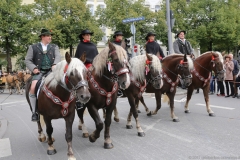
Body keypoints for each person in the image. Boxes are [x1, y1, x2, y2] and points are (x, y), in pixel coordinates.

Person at [25, 28, 61, 121]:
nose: (50, 37)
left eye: (50, 36)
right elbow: (28, 60)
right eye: (48, 36)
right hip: (39, 72)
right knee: (32, 88)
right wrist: (34, 68)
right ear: (42, 37)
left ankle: (74, 104)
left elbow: (58, 57)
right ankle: (34, 112)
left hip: (51, 71)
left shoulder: (54, 47)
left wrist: (54, 64)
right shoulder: (33, 47)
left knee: (65, 82)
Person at [74, 29, 98, 109]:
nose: (88, 36)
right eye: (87, 35)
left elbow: (97, 55)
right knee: (84, 77)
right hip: (84, 64)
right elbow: (79, 58)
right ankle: (78, 100)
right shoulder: (80, 45)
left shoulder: (93, 45)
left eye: (89, 35)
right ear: (83, 36)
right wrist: (89, 62)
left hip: (94, 64)